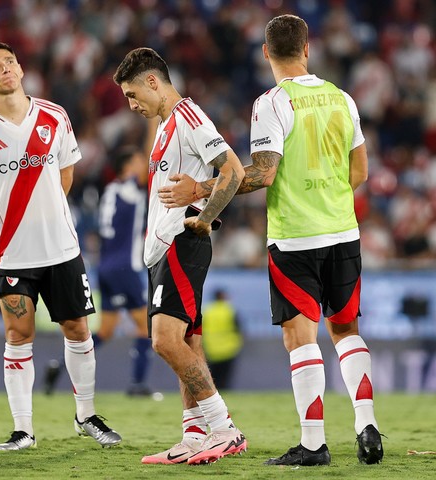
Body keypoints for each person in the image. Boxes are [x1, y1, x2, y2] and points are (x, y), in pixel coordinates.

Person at [158, 15, 383, 466]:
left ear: (265, 53)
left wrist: (202, 191)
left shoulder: (272, 103)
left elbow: (263, 172)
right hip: (343, 231)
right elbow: (359, 172)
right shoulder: (343, 99)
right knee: (346, 331)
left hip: (295, 237)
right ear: (307, 49)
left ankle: (314, 444)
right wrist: (328, 199)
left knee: (301, 339)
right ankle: (366, 424)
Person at [0, 40, 121, 451]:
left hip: (61, 248)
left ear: (21, 68)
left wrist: (45, 217)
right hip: (13, 253)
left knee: (78, 329)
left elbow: (65, 177)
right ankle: (23, 429)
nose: (5, 69)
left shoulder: (55, 117)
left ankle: (86, 415)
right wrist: (2, 224)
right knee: (18, 333)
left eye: (10, 62)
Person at [113, 47, 247, 465]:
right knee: (188, 341)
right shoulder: (165, 125)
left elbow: (233, 170)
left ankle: (224, 429)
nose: (132, 105)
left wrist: (205, 217)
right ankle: (192, 435)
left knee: (164, 340)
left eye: (134, 95)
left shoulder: (189, 117)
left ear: (153, 81)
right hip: (161, 248)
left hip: (181, 242)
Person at [43, 146, 152, 396]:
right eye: (137, 160)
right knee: (145, 327)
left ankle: (59, 366)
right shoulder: (130, 189)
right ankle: (137, 384)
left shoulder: (111, 191)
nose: (141, 165)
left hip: (106, 266)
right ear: (127, 168)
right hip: (126, 267)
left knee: (106, 330)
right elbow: (149, 171)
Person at [201, 289, 243, 390]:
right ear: (223, 297)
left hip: (210, 348)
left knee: (212, 378)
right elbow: (238, 328)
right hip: (229, 349)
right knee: (225, 378)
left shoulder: (206, 311)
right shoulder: (230, 310)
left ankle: (213, 398)